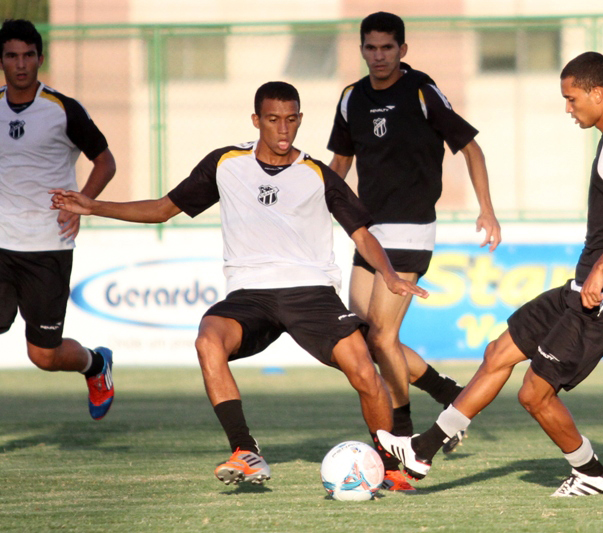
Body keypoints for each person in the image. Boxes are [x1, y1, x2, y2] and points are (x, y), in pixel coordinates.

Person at [52, 81, 429, 486]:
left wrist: (388, 273)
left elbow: (362, 234)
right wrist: (93, 206)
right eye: (273, 120)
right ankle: (245, 450)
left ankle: (389, 466)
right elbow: (163, 209)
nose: (283, 129)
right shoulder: (226, 163)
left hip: (311, 292)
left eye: (290, 120)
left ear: (300, 120)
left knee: (364, 370)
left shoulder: (317, 174)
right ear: (257, 120)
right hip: (250, 295)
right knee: (207, 340)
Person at [378, 51, 603, 497]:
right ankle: (423, 451)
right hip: (583, 284)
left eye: (571, 99)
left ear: (597, 93)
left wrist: (601, 271)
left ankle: (592, 474)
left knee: (534, 395)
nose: (568, 108)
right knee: (499, 351)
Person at [327, 11, 502, 490]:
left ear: (403, 50)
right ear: (362, 50)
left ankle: (402, 437)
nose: (379, 56)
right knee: (362, 338)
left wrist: (486, 209)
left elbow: (471, 148)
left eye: (387, 47)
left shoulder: (422, 91)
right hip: (367, 229)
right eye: (371, 48)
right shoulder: (351, 99)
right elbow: (339, 161)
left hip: (411, 229)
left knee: (382, 338)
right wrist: (319, 207)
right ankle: (448, 392)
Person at [0, 19, 116, 420]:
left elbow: (105, 161)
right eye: (12, 56)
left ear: (40, 59)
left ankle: (96, 366)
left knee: (43, 356)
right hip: (0, 243)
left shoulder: (64, 110)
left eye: (28, 55)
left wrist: (82, 202)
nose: (20, 64)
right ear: (1, 61)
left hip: (47, 245)